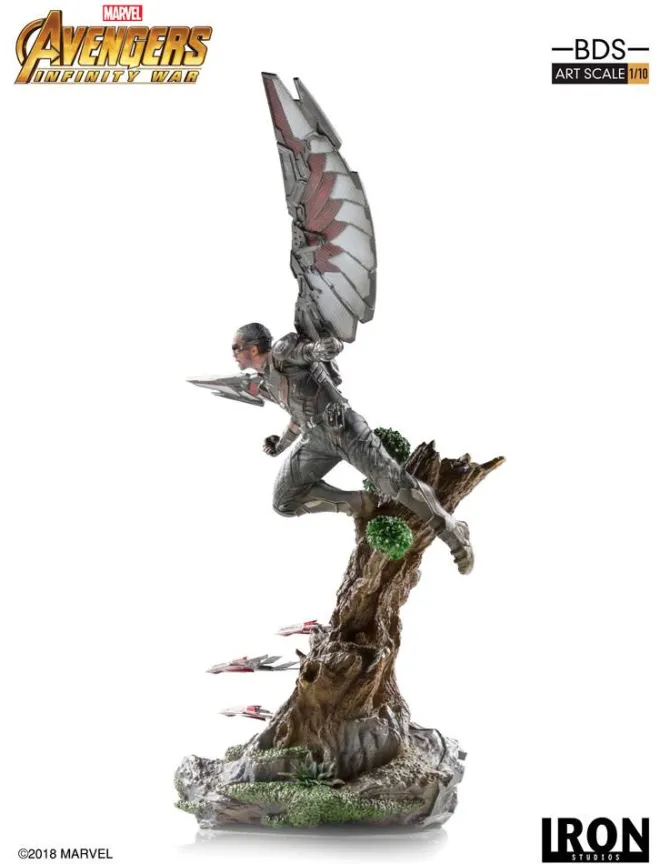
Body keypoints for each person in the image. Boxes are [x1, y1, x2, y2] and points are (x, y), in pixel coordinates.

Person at [231, 322, 474, 574]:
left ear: (254, 348)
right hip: (316, 440)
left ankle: (453, 530)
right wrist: (279, 446)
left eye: (236, 347)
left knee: (394, 483)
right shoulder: (268, 380)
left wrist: (324, 347)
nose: (233, 353)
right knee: (284, 501)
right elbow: (297, 416)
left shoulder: (283, 350)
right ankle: (357, 503)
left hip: (344, 428)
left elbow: (313, 352)